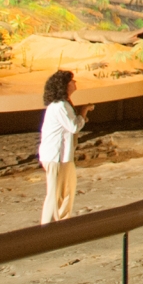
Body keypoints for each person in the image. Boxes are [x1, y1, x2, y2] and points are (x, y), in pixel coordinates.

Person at [38, 70, 92, 225]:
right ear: (65, 85)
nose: (75, 83)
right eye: (72, 81)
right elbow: (73, 126)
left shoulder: (62, 104)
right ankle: (45, 229)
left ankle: (62, 223)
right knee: (54, 194)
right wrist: (83, 112)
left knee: (66, 191)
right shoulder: (59, 106)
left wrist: (81, 115)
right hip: (56, 157)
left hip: (63, 157)